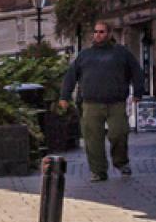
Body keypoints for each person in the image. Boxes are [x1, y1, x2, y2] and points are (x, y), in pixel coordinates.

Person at [59, 23, 142, 181]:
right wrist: (64, 96)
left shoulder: (121, 53)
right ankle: (98, 171)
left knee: (119, 133)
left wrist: (138, 93)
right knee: (92, 139)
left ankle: (121, 162)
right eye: (96, 32)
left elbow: (136, 72)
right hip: (91, 103)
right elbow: (71, 76)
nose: (97, 35)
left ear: (109, 33)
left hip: (116, 102)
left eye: (101, 32)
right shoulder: (85, 55)